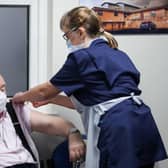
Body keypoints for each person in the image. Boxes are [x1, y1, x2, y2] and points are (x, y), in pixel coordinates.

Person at [13, 6, 167, 168]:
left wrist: (20, 97)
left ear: (79, 32)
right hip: (141, 120)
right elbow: (94, 102)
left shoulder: (82, 57)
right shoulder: (116, 54)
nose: (68, 41)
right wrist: (54, 100)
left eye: (67, 36)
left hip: (118, 127)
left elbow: (43, 91)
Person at [0, 74, 85, 168]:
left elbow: (53, 124)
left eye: (2, 89)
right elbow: (43, 92)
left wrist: (74, 133)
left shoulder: (13, 112)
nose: (1, 95)